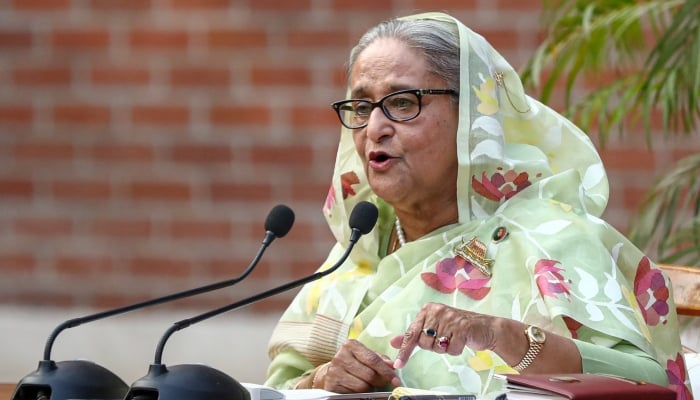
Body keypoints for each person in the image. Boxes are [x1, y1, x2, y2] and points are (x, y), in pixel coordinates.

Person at [264, 11, 693, 400]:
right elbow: (275, 388)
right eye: (361, 106)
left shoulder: (550, 239)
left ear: (471, 118)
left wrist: (502, 335)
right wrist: (319, 381)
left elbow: (649, 387)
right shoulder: (356, 255)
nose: (374, 128)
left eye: (401, 103)